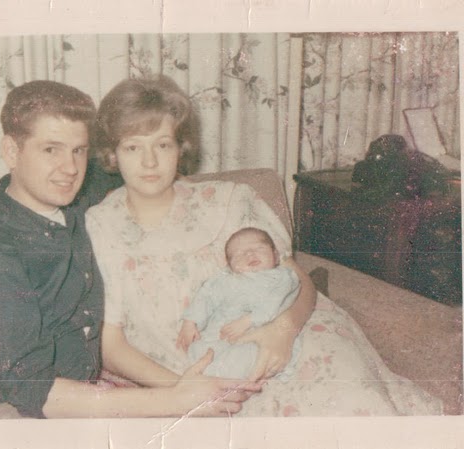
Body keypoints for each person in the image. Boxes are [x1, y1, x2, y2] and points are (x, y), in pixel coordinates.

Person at [85, 75, 443, 416]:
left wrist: (282, 331)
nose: (149, 161)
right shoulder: (99, 227)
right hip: (195, 371)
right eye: (133, 147)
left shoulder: (229, 201)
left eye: (162, 144)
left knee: (354, 404)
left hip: (291, 335)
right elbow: (110, 344)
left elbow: (298, 280)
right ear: (112, 154)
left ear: (181, 147)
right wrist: (183, 391)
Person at [0, 80, 260, 419]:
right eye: (51, 150)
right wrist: (178, 399)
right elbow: (34, 389)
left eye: (78, 150)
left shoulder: (72, 198)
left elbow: (147, 164)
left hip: (75, 395)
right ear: (11, 151)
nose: (70, 168)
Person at [177, 227, 301, 380]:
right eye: (239, 253)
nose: (250, 254)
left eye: (259, 248)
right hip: (218, 335)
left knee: (247, 356)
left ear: (275, 256)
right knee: (197, 349)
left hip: (257, 335)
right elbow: (206, 297)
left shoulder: (282, 277)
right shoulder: (225, 280)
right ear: (230, 266)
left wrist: (248, 320)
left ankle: (222, 381)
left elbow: (277, 302)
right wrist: (190, 322)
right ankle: (212, 377)